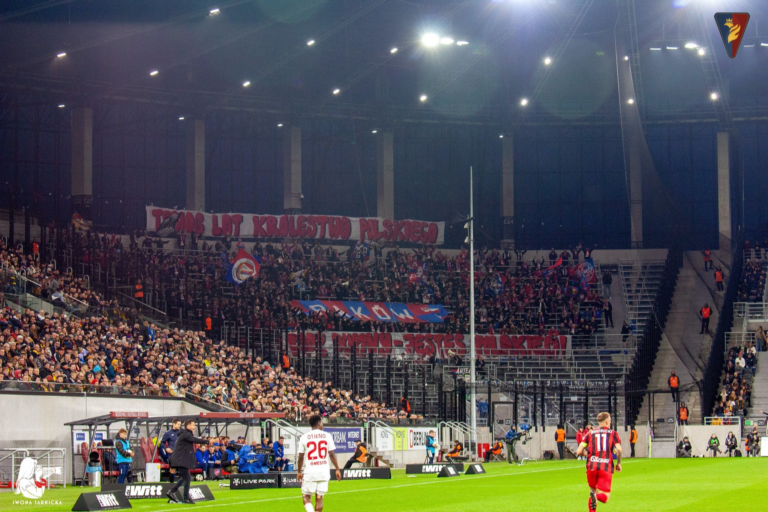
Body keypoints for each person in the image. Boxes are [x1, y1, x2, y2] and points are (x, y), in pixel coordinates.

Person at [576, 412, 622, 512]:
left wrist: (589, 455)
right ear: (606, 422)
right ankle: (596, 496)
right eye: (609, 421)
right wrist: (618, 463)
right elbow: (619, 449)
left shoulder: (589, 433)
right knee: (605, 497)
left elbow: (579, 451)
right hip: (605, 467)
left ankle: (594, 498)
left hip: (591, 467)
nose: (610, 422)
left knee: (592, 493)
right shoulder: (613, 433)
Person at [297, 414, 341, 512]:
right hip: (324, 472)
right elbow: (332, 454)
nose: (323, 425)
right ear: (318, 423)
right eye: (321, 422)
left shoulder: (304, 437)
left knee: (306, 496)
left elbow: (300, 457)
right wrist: (337, 469)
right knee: (319, 497)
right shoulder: (327, 435)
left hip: (310, 472)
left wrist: (299, 471)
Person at [167, 419, 211, 504]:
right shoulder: (185, 434)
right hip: (180, 460)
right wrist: (208, 441)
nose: (194, 427)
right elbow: (195, 440)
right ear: (188, 426)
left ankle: (174, 493)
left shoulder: (186, 434)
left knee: (186, 477)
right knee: (187, 477)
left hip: (181, 459)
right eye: (193, 425)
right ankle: (184, 497)